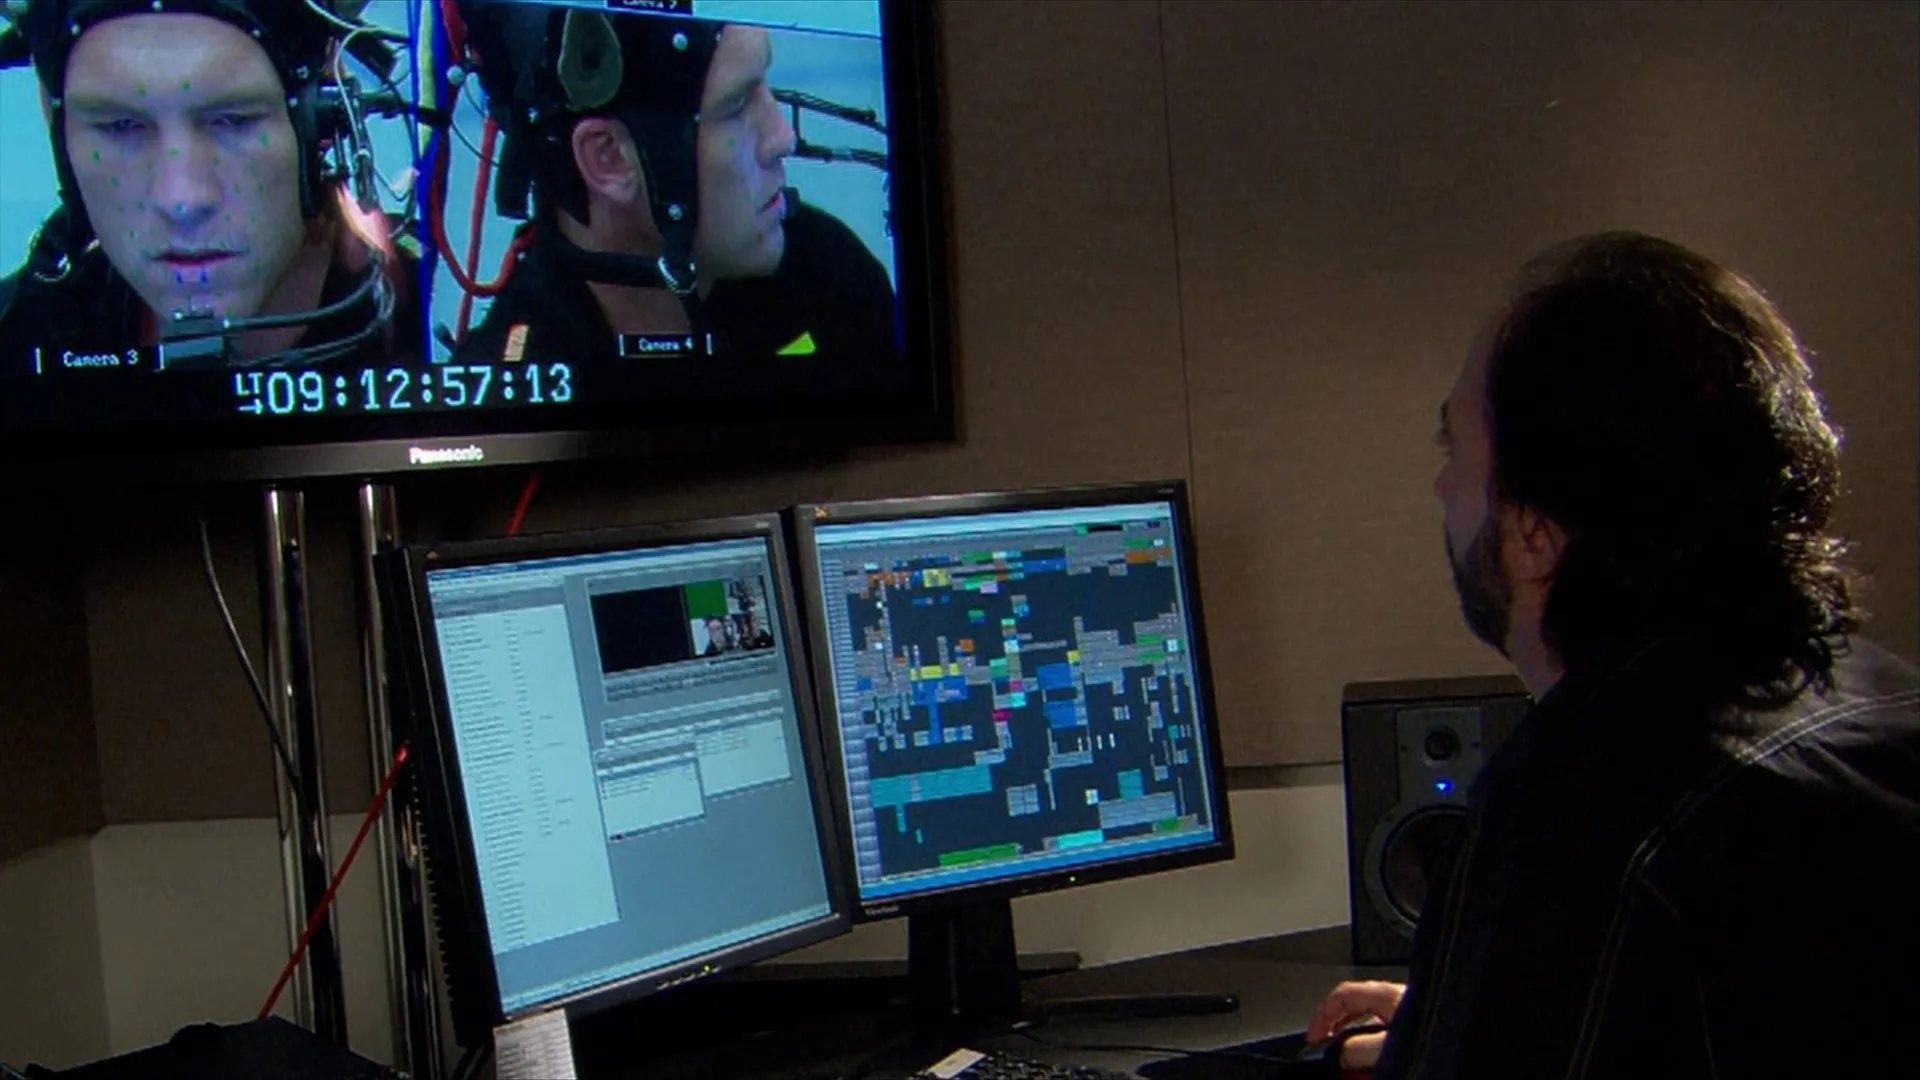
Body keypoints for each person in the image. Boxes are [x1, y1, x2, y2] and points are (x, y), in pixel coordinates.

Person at [1307, 232, 1920, 1078]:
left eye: (1455, 451)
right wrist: (1466, 1011)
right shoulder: (1882, 698)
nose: (1442, 487)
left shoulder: (1583, 800)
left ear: (1531, 533)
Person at [450, 2, 896, 367]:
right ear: (609, 158)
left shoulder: (832, 278)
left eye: (766, 84)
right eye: (737, 104)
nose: (784, 137)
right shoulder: (506, 392)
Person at [0, 0, 419, 370]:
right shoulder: (20, 338)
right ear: (56, 123)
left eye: (232, 121)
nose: (181, 201)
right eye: (121, 126)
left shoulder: (434, 314)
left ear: (324, 115)